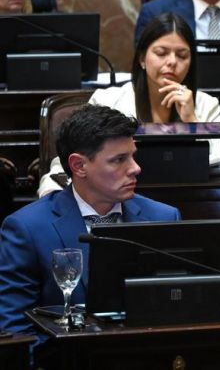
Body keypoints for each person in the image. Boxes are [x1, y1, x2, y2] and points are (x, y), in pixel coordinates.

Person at [0, 104, 180, 339]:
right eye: (119, 159)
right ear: (79, 166)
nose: (136, 168)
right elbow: (16, 333)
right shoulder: (27, 229)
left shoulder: (163, 218)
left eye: (133, 156)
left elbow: (176, 309)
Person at [38, 13, 220, 196]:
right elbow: (73, 160)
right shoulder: (108, 101)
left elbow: (219, 161)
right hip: (117, 197)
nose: (172, 62)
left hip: (188, 195)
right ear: (142, 59)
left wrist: (192, 121)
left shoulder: (206, 104)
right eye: (161, 53)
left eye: (182, 56)